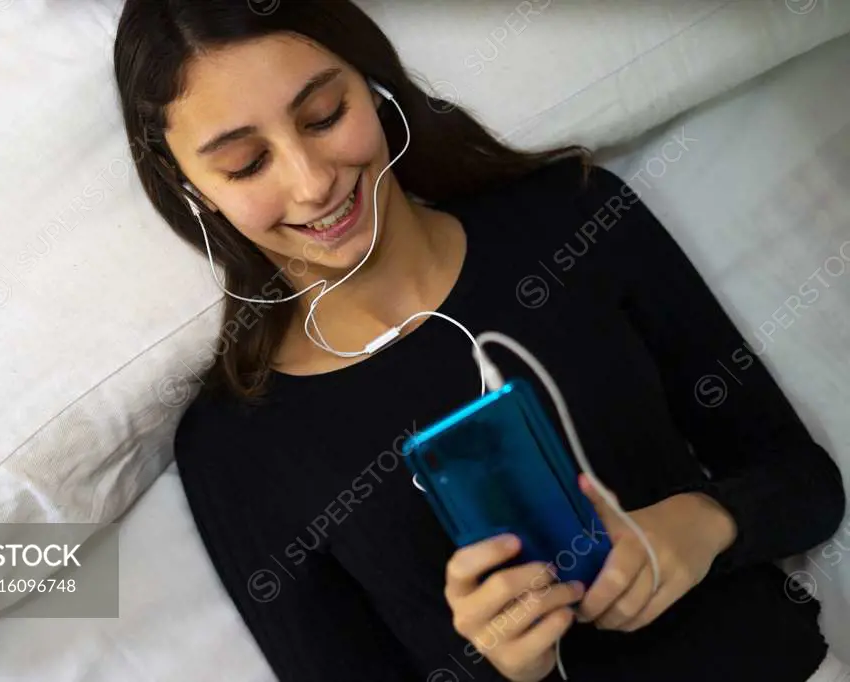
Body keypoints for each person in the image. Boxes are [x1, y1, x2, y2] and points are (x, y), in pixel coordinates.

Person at [112, 1, 848, 680]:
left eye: (324, 114)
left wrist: (706, 523)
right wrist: (494, 668)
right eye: (246, 164)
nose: (311, 183)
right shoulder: (236, 445)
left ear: (374, 86)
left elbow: (807, 487)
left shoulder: (573, 221)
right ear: (190, 189)